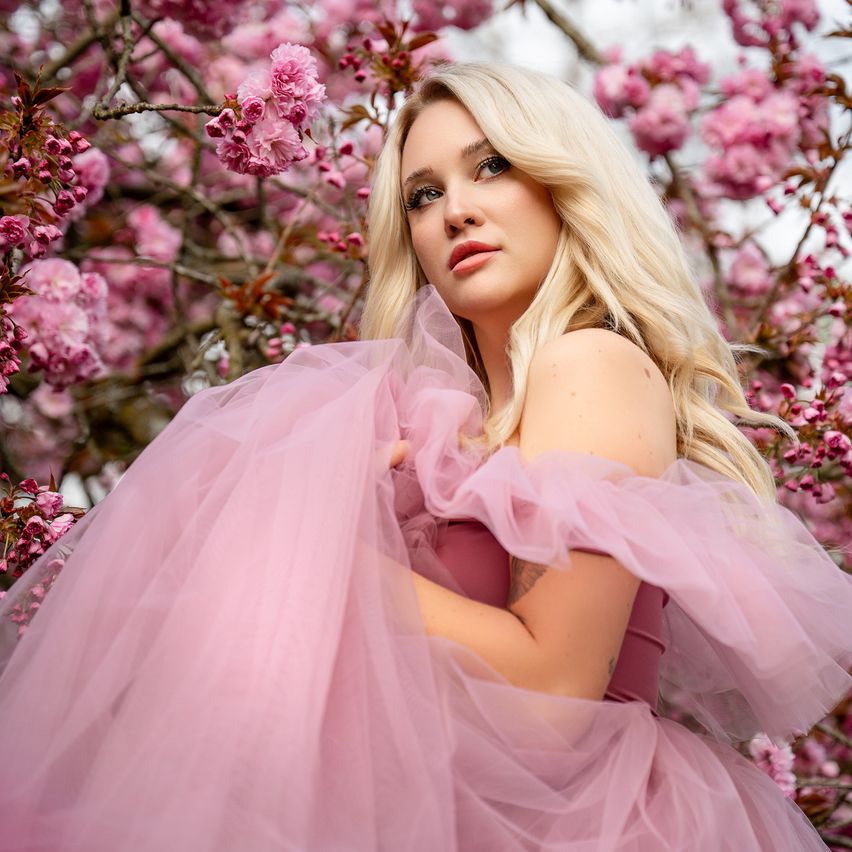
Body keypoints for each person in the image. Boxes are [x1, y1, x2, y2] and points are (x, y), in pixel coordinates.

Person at [0, 62, 850, 851]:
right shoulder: (439, 424)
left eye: (492, 168)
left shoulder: (589, 359)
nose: (456, 212)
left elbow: (552, 693)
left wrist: (314, 554)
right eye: (422, 194)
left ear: (564, 184)